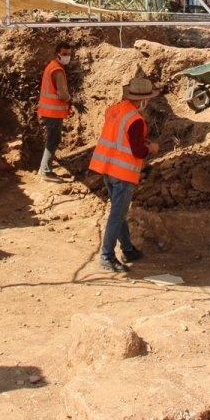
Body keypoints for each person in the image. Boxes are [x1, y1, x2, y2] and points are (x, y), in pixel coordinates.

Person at [88, 77, 160, 273]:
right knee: (117, 215)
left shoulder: (115, 110)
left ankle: (127, 249)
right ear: (144, 99)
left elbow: (118, 136)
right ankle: (107, 256)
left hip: (107, 167)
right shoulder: (135, 119)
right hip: (122, 171)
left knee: (118, 213)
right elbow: (137, 151)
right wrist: (151, 148)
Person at [37, 42, 73, 182]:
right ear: (57, 54)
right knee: (53, 140)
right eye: (64, 54)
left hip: (48, 110)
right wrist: (72, 100)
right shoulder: (57, 70)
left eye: (69, 54)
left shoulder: (51, 66)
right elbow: (63, 94)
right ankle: (45, 171)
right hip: (53, 112)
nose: (67, 57)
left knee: (52, 139)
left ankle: (44, 167)